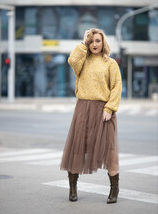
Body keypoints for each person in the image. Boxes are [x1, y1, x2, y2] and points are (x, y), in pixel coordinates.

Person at [60, 28, 122, 204]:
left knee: (110, 151)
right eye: (91, 41)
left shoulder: (110, 64)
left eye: (97, 41)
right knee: (77, 149)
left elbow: (116, 87)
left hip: (104, 111)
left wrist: (109, 108)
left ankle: (114, 190)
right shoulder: (82, 61)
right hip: (83, 108)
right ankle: (73, 189)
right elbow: (72, 60)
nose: (94, 44)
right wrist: (82, 41)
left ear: (103, 43)